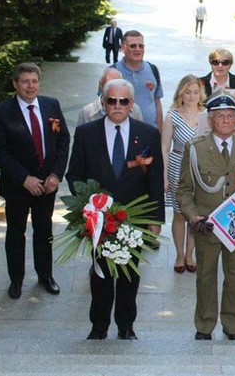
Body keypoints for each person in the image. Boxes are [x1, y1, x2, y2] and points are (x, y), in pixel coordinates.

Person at [66, 78, 165, 340]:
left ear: (132, 104)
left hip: (134, 219)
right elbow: (74, 174)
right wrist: (89, 205)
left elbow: (155, 179)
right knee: (100, 274)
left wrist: (156, 220)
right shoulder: (87, 133)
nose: (117, 105)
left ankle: (126, 325)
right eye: (112, 100)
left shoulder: (148, 134)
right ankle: (99, 326)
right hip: (100, 220)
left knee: (129, 274)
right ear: (104, 102)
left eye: (123, 101)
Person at [177, 93, 235, 341]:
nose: (226, 120)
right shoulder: (195, 147)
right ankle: (204, 325)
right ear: (210, 120)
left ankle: (233, 324)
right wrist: (193, 217)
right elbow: (184, 189)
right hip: (208, 225)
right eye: (220, 116)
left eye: (230, 116)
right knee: (205, 277)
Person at [0, 62, 70, 299]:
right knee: (16, 234)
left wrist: (56, 174)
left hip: (47, 186)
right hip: (17, 186)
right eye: (25, 81)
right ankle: (16, 280)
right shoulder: (2, 111)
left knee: (44, 231)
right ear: (15, 84)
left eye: (34, 81)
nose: (30, 86)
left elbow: (63, 141)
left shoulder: (51, 105)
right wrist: (24, 178)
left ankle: (45, 276)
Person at [162, 74, 206, 274]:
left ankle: (190, 254)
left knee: (195, 213)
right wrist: (164, 176)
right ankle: (179, 254)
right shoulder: (172, 115)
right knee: (179, 213)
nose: (191, 96)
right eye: (188, 92)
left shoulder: (206, 115)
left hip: (200, 169)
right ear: (181, 93)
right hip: (177, 167)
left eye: (195, 92)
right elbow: (164, 148)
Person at [112, 30, 163, 131]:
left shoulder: (153, 69)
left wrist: (160, 132)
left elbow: (157, 102)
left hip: (150, 132)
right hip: (122, 133)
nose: (138, 49)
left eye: (141, 46)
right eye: (133, 46)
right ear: (123, 48)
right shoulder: (113, 72)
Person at [199, 49, 235, 133]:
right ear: (211, 63)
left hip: (234, 134)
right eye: (215, 62)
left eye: (225, 62)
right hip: (207, 133)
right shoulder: (200, 83)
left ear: (230, 65)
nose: (220, 65)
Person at [77, 68, 143, 125]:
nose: (117, 106)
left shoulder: (135, 110)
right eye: (109, 84)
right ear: (101, 85)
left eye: (118, 84)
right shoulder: (87, 112)